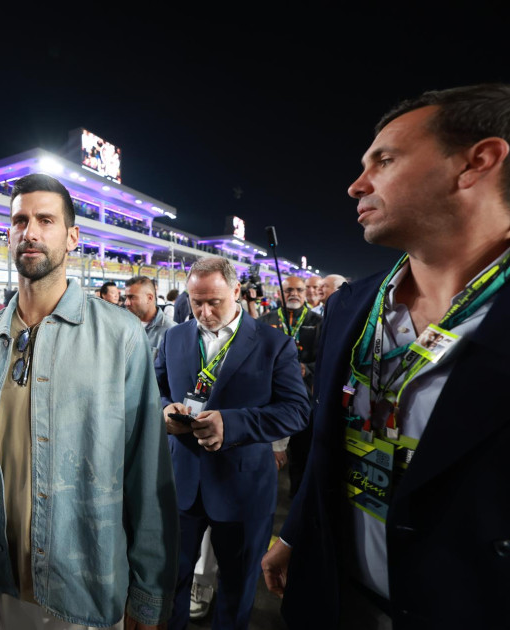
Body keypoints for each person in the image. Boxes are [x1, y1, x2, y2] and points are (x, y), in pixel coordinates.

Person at [262, 84, 510, 629]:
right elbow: (326, 444)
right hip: (336, 597)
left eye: (385, 161)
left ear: (477, 163)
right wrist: (295, 534)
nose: (357, 185)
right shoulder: (352, 305)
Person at [0, 173, 178, 629]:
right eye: (19, 221)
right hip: (4, 579)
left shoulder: (119, 336)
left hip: (87, 585)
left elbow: (147, 472)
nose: (30, 232)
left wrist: (148, 591)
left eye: (45, 220)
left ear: (72, 237)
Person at [155, 256, 308, 630]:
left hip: (243, 488)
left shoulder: (273, 344)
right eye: (197, 303)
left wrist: (233, 423)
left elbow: (296, 411)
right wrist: (164, 411)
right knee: (170, 581)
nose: (205, 313)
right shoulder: (174, 337)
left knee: (237, 588)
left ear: (237, 291)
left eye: (215, 302)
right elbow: (154, 389)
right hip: (182, 482)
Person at [257, 275, 322, 497]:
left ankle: (298, 503)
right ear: (280, 293)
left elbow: (327, 358)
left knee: (301, 458)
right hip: (271, 400)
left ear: (306, 293)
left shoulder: (318, 321)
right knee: (268, 457)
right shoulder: (265, 320)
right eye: (288, 290)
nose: (294, 294)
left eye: (299, 290)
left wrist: (307, 368)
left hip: (306, 400)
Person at [124, 275, 175, 359]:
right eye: (125, 297)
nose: (126, 303)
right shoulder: (124, 326)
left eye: (132, 297)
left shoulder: (171, 332)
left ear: (149, 298)